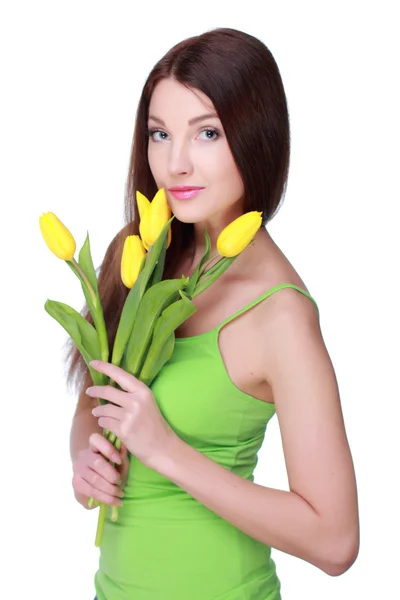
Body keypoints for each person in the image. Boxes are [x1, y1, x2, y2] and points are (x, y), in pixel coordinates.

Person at [67, 27, 359, 600]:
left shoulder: (279, 314)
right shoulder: (138, 254)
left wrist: (165, 450)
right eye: (159, 134)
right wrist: (85, 458)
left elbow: (336, 540)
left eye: (207, 133)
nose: (175, 163)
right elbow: (94, 403)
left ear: (257, 137)